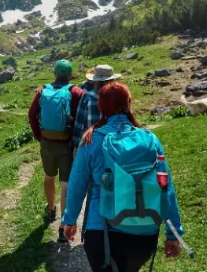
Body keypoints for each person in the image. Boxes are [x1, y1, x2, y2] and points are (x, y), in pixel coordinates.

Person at [62, 82, 183, 272]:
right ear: (129, 104)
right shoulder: (150, 139)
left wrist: (69, 221)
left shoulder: (91, 140)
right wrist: (173, 233)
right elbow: (165, 188)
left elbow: (77, 187)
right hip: (144, 233)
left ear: (101, 106)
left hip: (101, 233)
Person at [28, 60, 84, 243]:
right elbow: (80, 118)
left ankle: (51, 208)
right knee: (65, 185)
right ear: (69, 74)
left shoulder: (43, 91)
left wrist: (39, 135)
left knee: (48, 176)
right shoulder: (74, 92)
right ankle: (63, 227)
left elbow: (31, 114)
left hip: (46, 142)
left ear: (54, 73)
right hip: (66, 144)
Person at [72, 65, 121, 156]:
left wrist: (75, 144)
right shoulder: (119, 97)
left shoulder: (88, 97)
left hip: (91, 142)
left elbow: (80, 122)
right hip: (115, 144)